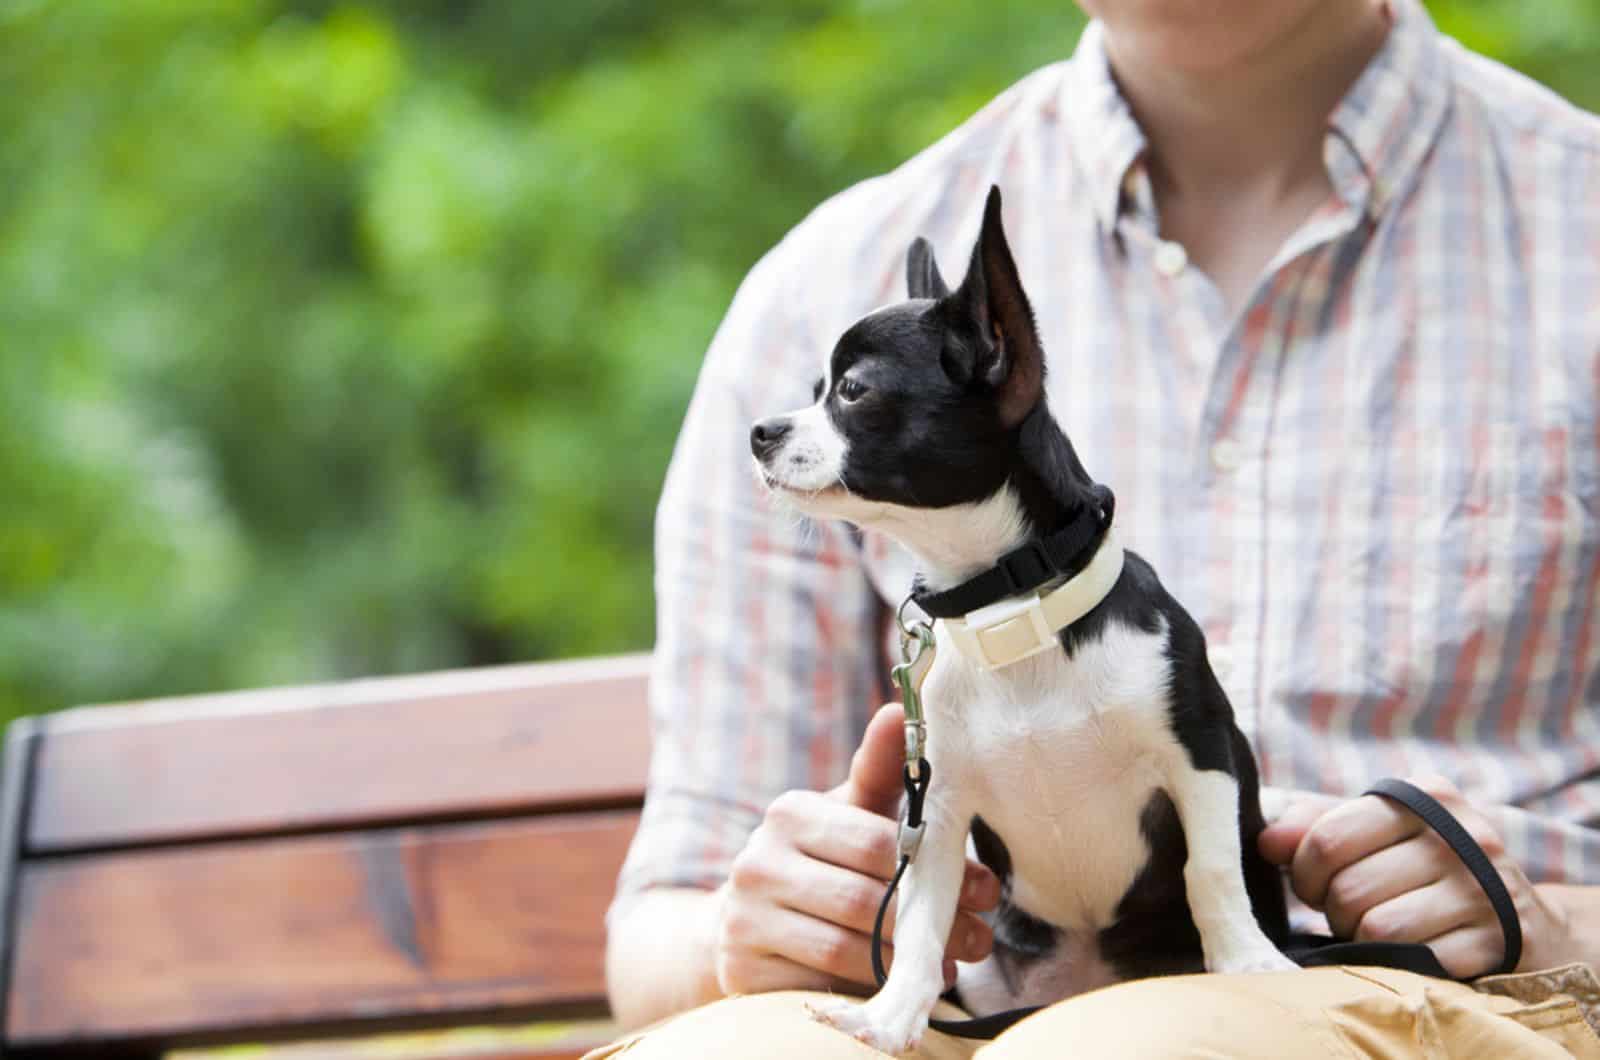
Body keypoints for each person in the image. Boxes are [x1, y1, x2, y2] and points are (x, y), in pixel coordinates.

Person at [598, 0, 1600, 1055]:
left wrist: (1555, 918)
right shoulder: (816, 286)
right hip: (957, 1018)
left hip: (1460, 1001)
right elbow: (660, 937)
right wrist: (744, 931)